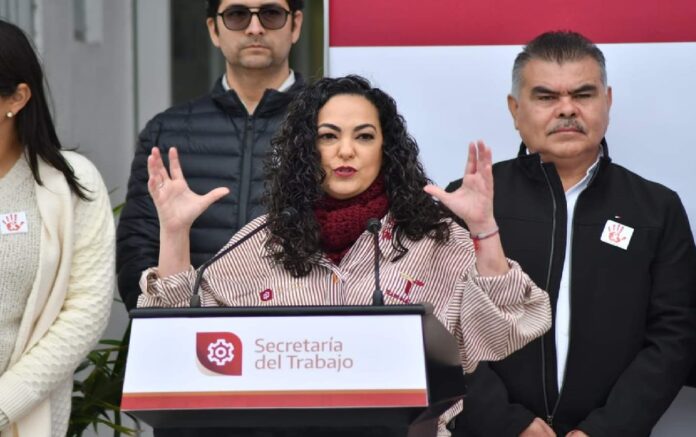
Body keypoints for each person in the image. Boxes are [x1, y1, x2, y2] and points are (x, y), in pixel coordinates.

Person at [137, 75, 552, 435]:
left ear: (386, 149)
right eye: (328, 136)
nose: (346, 151)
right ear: (306, 147)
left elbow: (509, 329)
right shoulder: (262, 241)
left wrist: (483, 230)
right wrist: (174, 234)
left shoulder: (434, 240)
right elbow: (174, 341)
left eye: (364, 136)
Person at [447, 31, 696, 437]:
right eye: (546, 97)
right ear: (515, 109)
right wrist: (507, 423)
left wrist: (605, 429)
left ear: (607, 102)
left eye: (583, 94)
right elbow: (440, 329)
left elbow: (674, 337)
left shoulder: (656, 208)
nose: (567, 109)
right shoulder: (468, 204)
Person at [117, 0, 305, 311]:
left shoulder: (330, 125)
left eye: (271, 14)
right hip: (193, 327)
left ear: (295, 25)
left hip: (300, 329)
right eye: (237, 15)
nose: (254, 28)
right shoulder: (167, 131)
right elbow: (136, 251)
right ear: (213, 29)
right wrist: (175, 317)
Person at [0, 20, 115, 437]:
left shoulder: (70, 184)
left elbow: (85, 311)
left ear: (16, 98)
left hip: (20, 419)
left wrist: (5, 403)